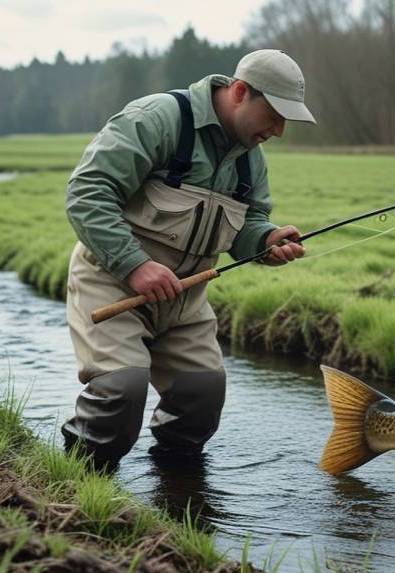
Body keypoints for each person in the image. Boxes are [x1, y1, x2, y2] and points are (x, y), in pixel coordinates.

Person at [61, 49, 315, 470]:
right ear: (239, 92)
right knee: (121, 393)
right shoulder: (157, 118)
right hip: (111, 283)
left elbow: (250, 221)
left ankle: (176, 496)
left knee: (202, 397)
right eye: (274, 113)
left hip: (186, 300)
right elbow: (87, 193)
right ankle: (75, 487)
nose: (280, 129)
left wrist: (266, 240)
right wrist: (135, 265)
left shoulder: (251, 159)